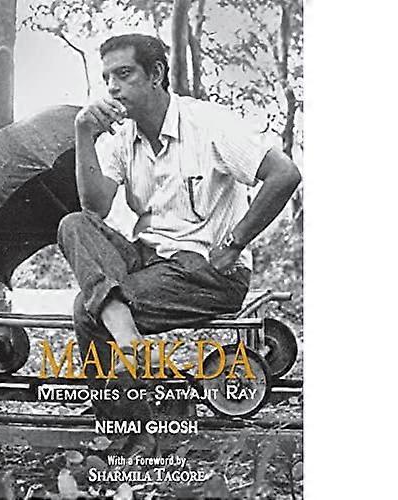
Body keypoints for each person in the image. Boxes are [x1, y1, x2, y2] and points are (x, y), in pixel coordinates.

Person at [57, 34, 301, 458]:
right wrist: (83, 134)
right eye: (107, 77)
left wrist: (235, 242)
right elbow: (94, 208)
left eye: (124, 74)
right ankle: (127, 342)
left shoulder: (207, 124)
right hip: (149, 262)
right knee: (72, 224)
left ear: (156, 74)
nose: (113, 87)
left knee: (88, 309)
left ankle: (131, 434)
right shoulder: (121, 138)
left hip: (207, 270)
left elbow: (284, 174)